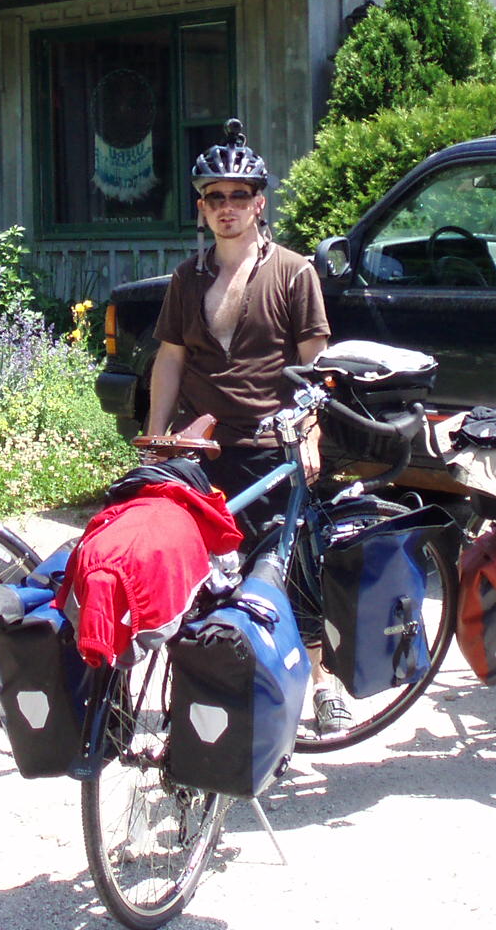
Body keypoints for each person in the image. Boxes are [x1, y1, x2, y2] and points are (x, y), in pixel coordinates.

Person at [144, 118, 348, 730]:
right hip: (202, 451)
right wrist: (158, 439)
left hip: (271, 446)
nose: (227, 207)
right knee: (199, 577)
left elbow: (316, 366)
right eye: (214, 196)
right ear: (202, 207)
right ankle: (209, 692)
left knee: (286, 571)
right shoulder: (188, 278)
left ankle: (320, 683)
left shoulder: (293, 272)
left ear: (259, 203)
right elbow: (171, 359)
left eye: (239, 195)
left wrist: (309, 430)